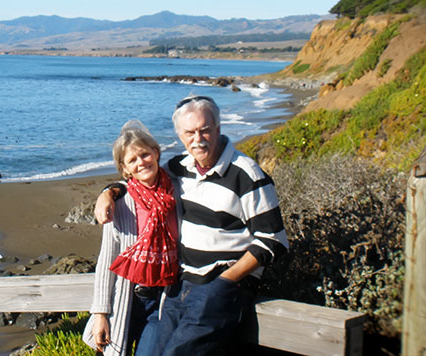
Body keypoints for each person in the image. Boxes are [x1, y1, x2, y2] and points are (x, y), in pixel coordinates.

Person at [94, 95, 288, 356]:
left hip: (221, 288)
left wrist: (225, 280)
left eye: (205, 130)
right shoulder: (180, 168)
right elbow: (142, 181)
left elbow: (273, 240)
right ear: (180, 136)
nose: (198, 139)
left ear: (218, 128)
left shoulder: (247, 173)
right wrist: (109, 192)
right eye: (189, 132)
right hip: (180, 285)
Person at [83, 120, 179, 356]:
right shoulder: (120, 204)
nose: (141, 163)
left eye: (145, 154)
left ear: (156, 153)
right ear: (125, 169)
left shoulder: (178, 191)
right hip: (126, 298)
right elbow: (107, 262)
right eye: (132, 160)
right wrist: (101, 314)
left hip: (163, 302)